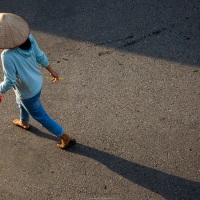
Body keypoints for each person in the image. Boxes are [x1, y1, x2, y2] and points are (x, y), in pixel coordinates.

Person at [0, 13, 76, 149]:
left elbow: (10, 81)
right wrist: (51, 70)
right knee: (20, 101)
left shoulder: (7, 55)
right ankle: (24, 122)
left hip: (27, 92)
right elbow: (40, 56)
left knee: (41, 117)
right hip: (37, 84)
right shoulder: (29, 37)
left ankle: (65, 137)